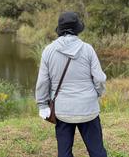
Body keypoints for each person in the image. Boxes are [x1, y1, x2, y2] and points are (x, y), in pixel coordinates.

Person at [35, 11, 107, 157]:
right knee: (97, 151)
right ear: (77, 29)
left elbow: (43, 81)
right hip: (88, 109)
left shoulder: (48, 50)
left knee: (64, 153)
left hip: (62, 111)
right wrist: (96, 93)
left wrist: (42, 105)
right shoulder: (88, 49)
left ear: (60, 29)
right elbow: (99, 78)